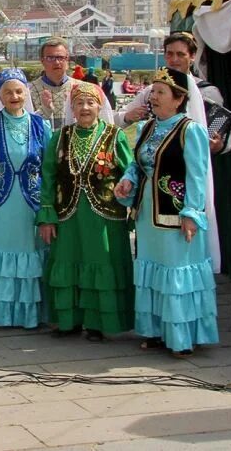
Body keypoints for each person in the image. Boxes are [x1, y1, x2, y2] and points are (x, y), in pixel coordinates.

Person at [114, 67, 219, 357]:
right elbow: (137, 164)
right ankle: (156, 331)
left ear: (178, 98)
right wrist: (127, 181)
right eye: (153, 92)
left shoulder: (190, 130)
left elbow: (197, 176)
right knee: (153, 270)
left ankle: (182, 337)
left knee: (176, 273)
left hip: (176, 216)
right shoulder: (148, 127)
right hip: (148, 214)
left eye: (161, 92)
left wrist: (191, 213)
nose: (154, 97)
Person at [37, 82, 134, 342]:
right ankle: (68, 321)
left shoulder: (114, 136)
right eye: (79, 103)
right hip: (67, 215)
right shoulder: (59, 137)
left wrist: (133, 204)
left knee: (100, 263)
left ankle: (98, 323)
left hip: (103, 217)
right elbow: (48, 177)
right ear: (72, 107)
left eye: (90, 103)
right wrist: (46, 216)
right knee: (68, 261)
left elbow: (130, 172)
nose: (85, 108)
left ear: (100, 106)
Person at [0, 68, 51, 329]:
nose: (14, 96)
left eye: (19, 91)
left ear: (26, 93)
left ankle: (28, 314)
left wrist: (47, 205)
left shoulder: (41, 125)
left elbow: (48, 168)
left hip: (30, 201)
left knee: (29, 252)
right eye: (8, 92)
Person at [116, 32, 230, 155]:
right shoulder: (151, 91)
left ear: (192, 56)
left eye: (180, 54)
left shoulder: (207, 92)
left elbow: (225, 139)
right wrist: (128, 116)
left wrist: (218, 145)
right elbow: (115, 119)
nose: (174, 60)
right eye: (170, 54)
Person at [29, 37, 80, 130]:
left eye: (60, 57)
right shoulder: (29, 91)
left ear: (67, 59)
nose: (56, 62)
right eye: (50, 58)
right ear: (42, 60)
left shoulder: (80, 88)